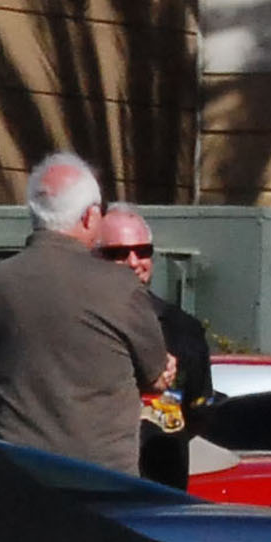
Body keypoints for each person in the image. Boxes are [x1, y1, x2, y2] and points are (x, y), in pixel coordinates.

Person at [0, 151, 172, 473]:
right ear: (89, 217)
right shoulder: (119, 284)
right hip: (100, 479)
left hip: (15, 474)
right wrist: (161, 372)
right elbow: (155, 373)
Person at [96, 203, 214, 487]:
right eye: (119, 253)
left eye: (143, 251)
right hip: (101, 483)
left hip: (163, 485)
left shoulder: (182, 327)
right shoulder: (81, 324)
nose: (134, 262)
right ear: (95, 257)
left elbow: (199, 408)